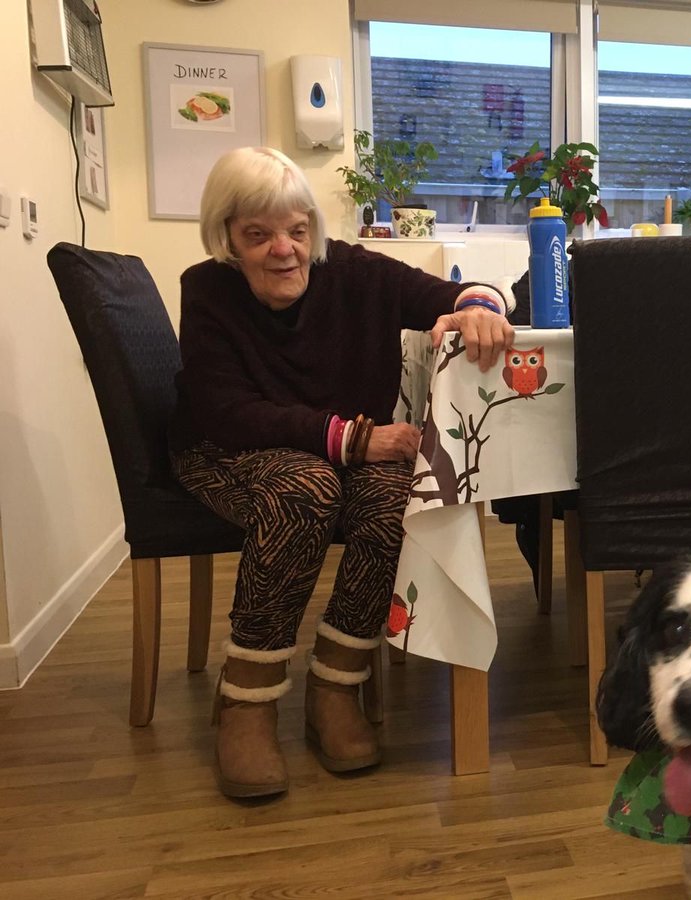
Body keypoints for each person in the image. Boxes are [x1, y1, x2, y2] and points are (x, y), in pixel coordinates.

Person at [170, 146, 513, 798]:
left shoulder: (355, 272)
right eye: (259, 235)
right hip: (223, 451)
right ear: (227, 238)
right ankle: (246, 700)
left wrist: (479, 307)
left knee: (398, 494)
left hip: (338, 454)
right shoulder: (207, 290)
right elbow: (228, 413)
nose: (284, 250)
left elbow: (454, 293)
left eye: (297, 231)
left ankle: (336, 686)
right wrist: (352, 439)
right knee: (307, 489)